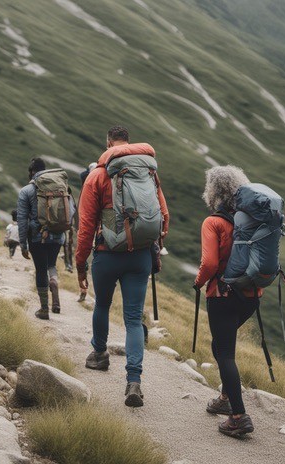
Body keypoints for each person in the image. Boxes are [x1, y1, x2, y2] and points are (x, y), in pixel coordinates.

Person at [76, 125, 169, 407]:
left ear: (108, 144)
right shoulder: (149, 172)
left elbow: (85, 227)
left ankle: (100, 355)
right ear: (128, 144)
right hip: (139, 256)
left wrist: (81, 264)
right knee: (132, 319)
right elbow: (164, 215)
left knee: (102, 305)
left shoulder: (97, 176)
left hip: (106, 254)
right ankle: (133, 381)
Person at [194, 165, 260, 437]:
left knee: (224, 352)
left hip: (222, 295)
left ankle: (238, 416)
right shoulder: (251, 220)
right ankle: (224, 398)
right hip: (251, 296)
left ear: (213, 192)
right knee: (222, 344)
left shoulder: (214, 222)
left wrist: (198, 282)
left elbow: (209, 263)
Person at [17, 158, 66, 319]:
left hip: (37, 237)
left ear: (31, 172)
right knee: (51, 264)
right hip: (58, 235)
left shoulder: (26, 191)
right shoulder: (60, 186)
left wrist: (23, 244)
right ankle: (54, 280)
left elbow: (22, 220)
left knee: (40, 269)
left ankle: (44, 309)